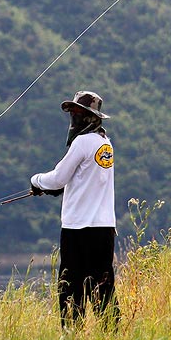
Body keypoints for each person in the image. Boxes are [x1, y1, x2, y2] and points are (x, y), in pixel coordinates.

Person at [30, 90, 117, 327]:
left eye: (79, 112)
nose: (74, 117)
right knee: (103, 288)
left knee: (70, 288)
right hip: (104, 230)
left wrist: (36, 181)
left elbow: (58, 179)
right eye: (74, 112)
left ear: (91, 116)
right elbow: (81, 179)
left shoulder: (82, 142)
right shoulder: (105, 143)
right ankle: (112, 339)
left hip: (78, 229)